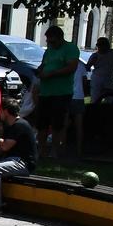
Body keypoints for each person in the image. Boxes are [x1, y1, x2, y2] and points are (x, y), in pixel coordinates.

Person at [0, 99, 36, 210]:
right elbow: (1, 147)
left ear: (5, 111)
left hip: (23, 162)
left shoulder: (20, 125)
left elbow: (5, 146)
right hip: (11, 160)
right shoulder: (9, 126)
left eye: (0, 111)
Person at [33, 25, 78, 157]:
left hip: (61, 93)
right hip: (45, 92)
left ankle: (55, 151)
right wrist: (40, 71)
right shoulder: (49, 51)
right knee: (42, 123)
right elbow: (43, 64)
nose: (49, 43)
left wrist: (52, 74)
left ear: (60, 38)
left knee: (57, 124)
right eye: (47, 41)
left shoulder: (70, 48)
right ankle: (41, 151)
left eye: (51, 41)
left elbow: (71, 67)